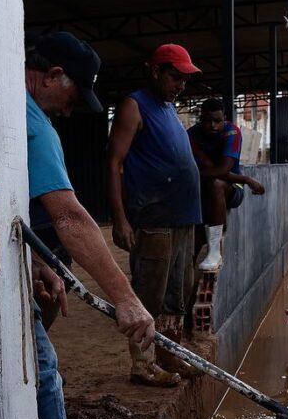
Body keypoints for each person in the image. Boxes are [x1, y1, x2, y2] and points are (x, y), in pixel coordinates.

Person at [23, 32, 156, 419]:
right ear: (54, 76)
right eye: (72, 96)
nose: (68, 109)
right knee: (40, 369)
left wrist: (37, 261)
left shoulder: (7, 108)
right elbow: (72, 218)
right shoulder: (33, 125)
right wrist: (125, 298)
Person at [107, 44, 203, 386]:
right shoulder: (135, 105)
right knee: (149, 293)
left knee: (177, 292)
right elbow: (115, 162)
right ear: (155, 71)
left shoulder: (168, 109)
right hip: (154, 217)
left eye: (184, 79)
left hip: (182, 216)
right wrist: (120, 218)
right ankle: (143, 364)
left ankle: (168, 354)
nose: (180, 85)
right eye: (175, 76)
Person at [188, 98, 267, 272]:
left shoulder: (232, 132)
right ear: (201, 119)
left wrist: (192, 175)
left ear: (224, 118)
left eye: (217, 121)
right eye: (208, 121)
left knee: (216, 183)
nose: (213, 126)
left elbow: (223, 169)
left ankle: (215, 250)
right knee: (190, 248)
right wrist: (246, 179)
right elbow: (210, 168)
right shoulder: (192, 135)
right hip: (201, 191)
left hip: (231, 189)